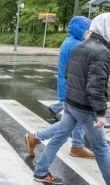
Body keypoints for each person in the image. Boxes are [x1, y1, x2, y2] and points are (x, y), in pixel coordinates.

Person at [32, 12, 110, 185]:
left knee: (59, 137)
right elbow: (96, 86)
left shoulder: (81, 45)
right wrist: (101, 113)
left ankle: (40, 171)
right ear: (107, 28)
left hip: (71, 103)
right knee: (102, 148)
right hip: (85, 108)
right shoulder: (100, 52)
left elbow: (67, 74)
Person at [25, 16, 95, 159]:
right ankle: (36, 138)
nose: (89, 33)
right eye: (87, 30)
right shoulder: (75, 45)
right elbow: (87, 63)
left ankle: (77, 146)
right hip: (73, 89)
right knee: (74, 121)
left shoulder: (72, 42)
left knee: (76, 121)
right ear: (79, 30)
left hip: (70, 87)